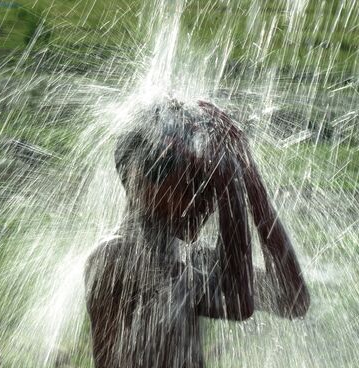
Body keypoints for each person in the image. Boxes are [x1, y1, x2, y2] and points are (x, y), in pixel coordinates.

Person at [84, 97, 310, 368]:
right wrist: (230, 180)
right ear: (143, 183)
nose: (208, 201)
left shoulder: (189, 267)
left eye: (209, 184)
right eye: (195, 182)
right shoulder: (115, 258)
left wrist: (251, 181)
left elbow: (292, 298)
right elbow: (238, 301)